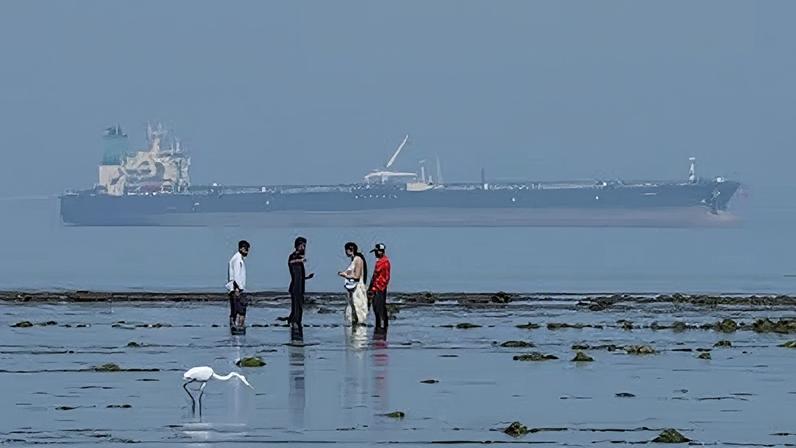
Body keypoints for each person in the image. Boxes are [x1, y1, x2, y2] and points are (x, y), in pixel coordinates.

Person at [338, 242, 368, 326]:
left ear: (350, 250)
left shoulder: (358, 259)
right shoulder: (354, 259)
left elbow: (357, 276)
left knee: (358, 308)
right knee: (353, 309)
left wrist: (345, 275)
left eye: (346, 250)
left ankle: (359, 331)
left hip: (357, 288)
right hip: (353, 288)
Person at [288, 237, 314, 330]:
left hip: (300, 286)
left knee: (299, 306)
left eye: (304, 246)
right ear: (297, 246)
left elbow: (299, 276)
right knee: (296, 307)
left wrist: (307, 277)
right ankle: (294, 322)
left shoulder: (299, 259)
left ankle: (296, 322)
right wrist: (300, 260)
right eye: (302, 246)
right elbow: (291, 261)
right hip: (295, 287)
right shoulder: (294, 256)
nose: (303, 248)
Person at [226, 240, 250, 330]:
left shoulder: (236, 259)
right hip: (236, 289)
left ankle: (234, 327)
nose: (247, 252)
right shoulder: (237, 260)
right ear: (241, 248)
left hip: (235, 288)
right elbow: (236, 276)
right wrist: (239, 288)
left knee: (235, 310)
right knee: (240, 310)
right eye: (246, 249)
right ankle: (238, 327)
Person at [369, 243, 391, 333]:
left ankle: (380, 328)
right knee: (381, 309)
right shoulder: (385, 261)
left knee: (378, 309)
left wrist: (370, 288)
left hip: (379, 288)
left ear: (380, 251)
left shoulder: (382, 262)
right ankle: (382, 327)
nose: (375, 254)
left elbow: (375, 276)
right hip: (381, 287)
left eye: (376, 252)